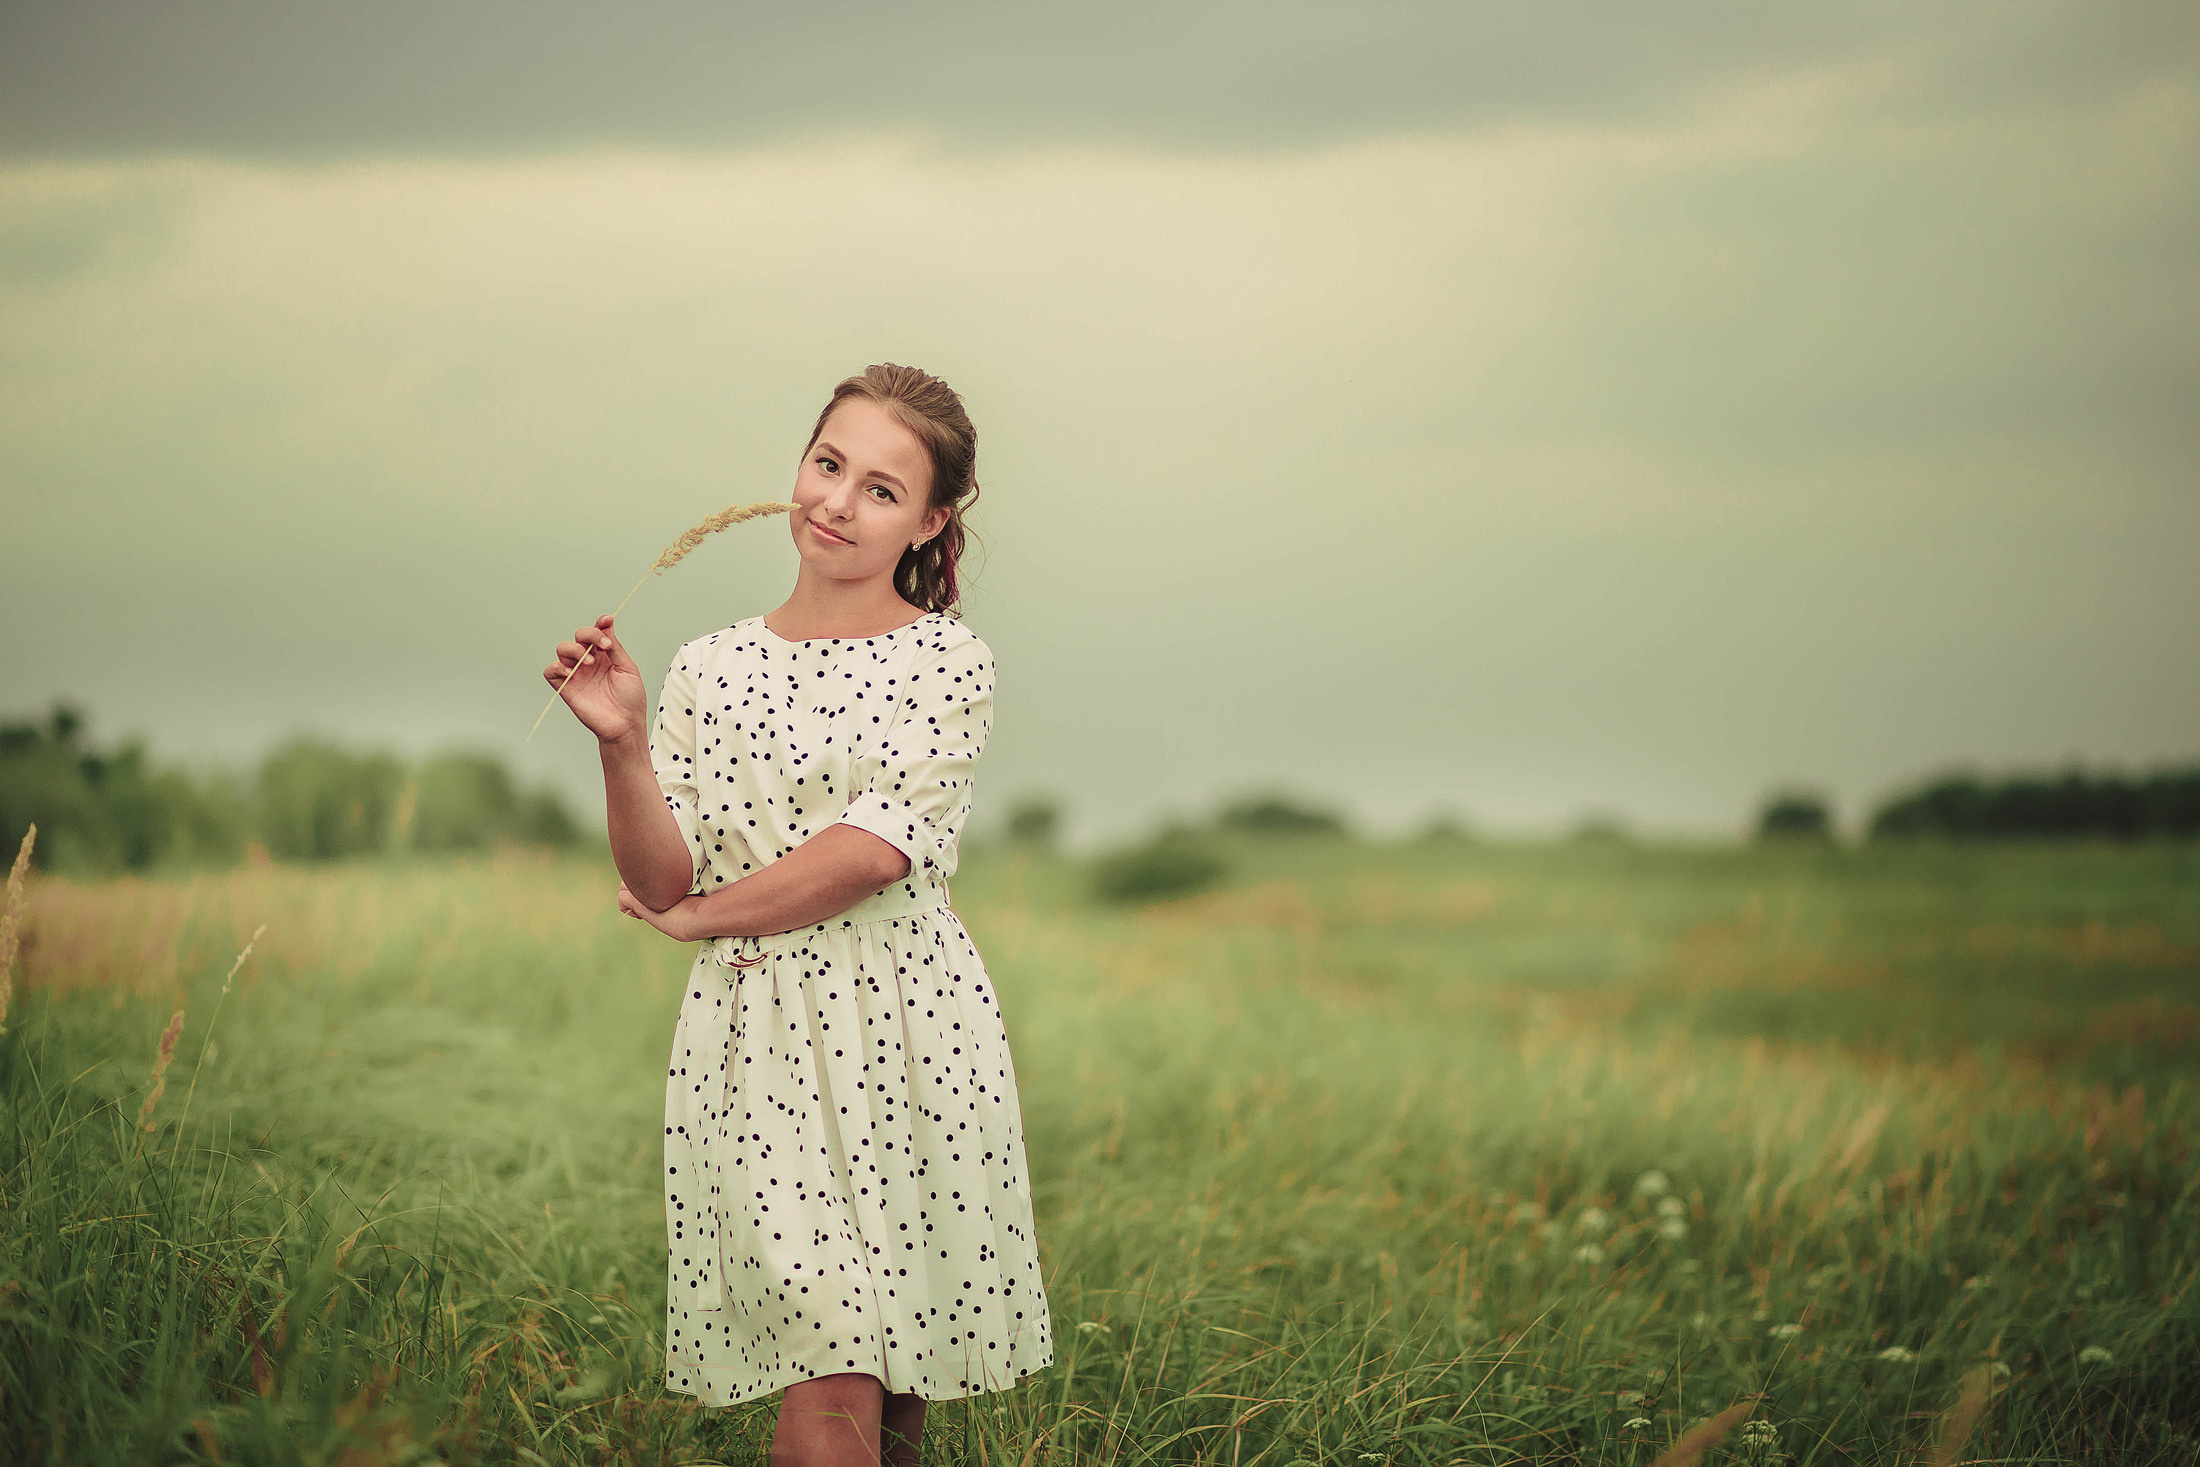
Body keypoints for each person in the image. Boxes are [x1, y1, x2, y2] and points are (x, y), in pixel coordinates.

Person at [543, 364, 1054, 1466]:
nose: (835, 501)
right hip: (758, 1044)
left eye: (879, 488)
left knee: (896, 1397)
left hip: (913, 1032)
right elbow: (661, 875)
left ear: (929, 520)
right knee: (824, 1381)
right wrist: (621, 743)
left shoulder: (945, 660)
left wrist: (706, 920)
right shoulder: (707, 668)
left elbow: (867, 856)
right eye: (828, 464)